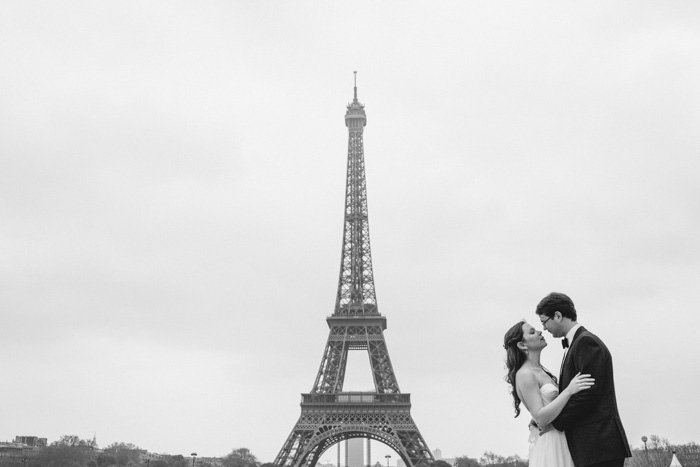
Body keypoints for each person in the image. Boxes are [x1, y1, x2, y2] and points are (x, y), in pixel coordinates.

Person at [536, 292, 631, 467]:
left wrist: (555, 423)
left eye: (544, 321)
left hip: (599, 444)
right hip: (592, 446)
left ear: (557, 316)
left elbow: (587, 394)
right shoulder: (575, 343)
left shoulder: (586, 342)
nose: (544, 328)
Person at [504, 320, 594, 467]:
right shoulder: (525, 374)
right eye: (532, 332)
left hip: (563, 438)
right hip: (551, 442)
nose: (540, 332)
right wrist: (569, 391)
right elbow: (540, 417)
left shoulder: (542, 371)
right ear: (522, 345)